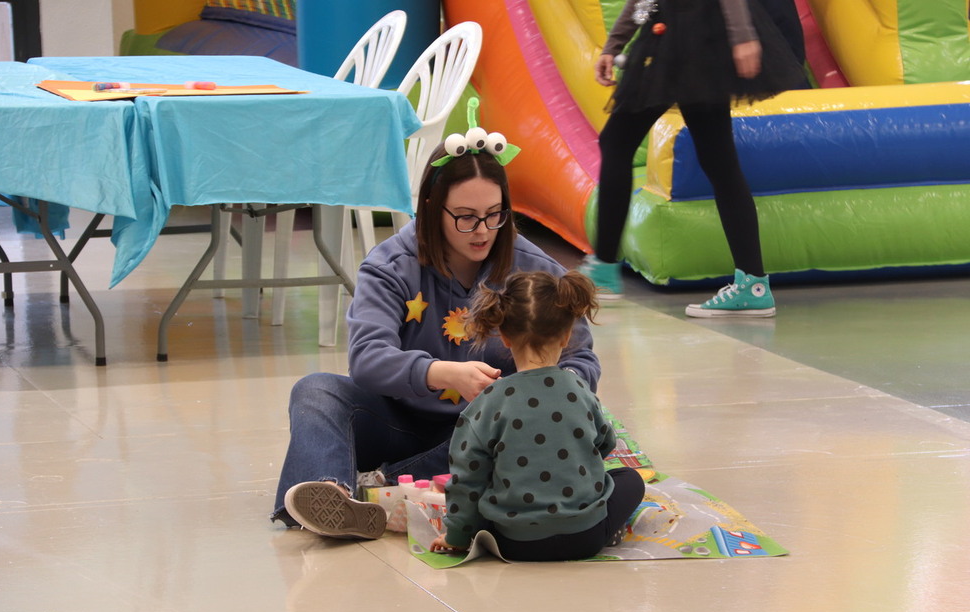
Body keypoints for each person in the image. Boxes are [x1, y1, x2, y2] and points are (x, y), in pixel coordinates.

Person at [271, 101, 602, 539]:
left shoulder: (534, 268)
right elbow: (366, 359)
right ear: (431, 208)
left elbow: (581, 359)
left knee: (516, 428)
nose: (483, 230)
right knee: (315, 391)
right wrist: (442, 373)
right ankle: (333, 493)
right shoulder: (390, 264)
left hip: (494, 433)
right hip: (400, 422)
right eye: (465, 218)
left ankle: (380, 491)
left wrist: (536, 395)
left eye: (494, 214)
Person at [582, 0, 806, 316]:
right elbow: (646, 1)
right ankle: (753, 283)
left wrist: (742, 35)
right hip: (686, 37)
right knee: (718, 160)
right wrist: (615, 42)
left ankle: (604, 271)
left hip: (689, 41)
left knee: (619, 142)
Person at [429, 271, 645, 561]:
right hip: (586, 538)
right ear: (567, 335)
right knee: (630, 479)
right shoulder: (578, 387)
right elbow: (605, 443)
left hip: (515, 543)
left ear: (504, 337)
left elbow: (466, 480)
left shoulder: (490, 401)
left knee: (485, 489)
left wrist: (456, 537)